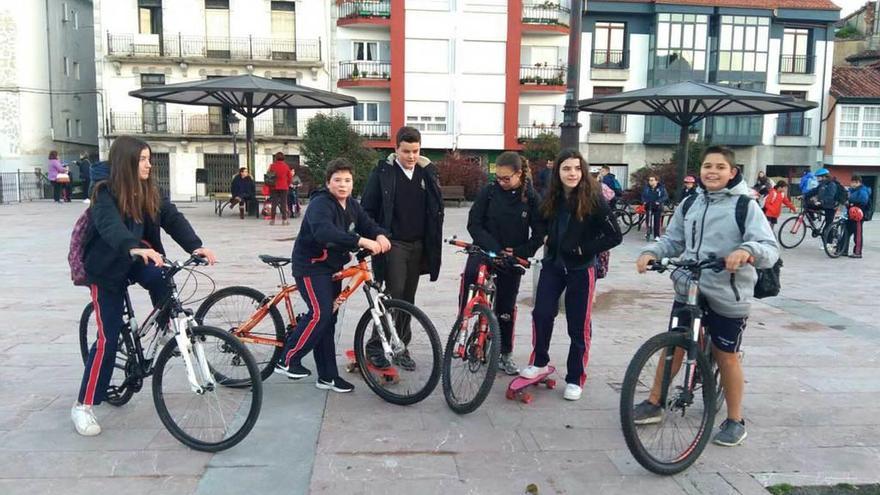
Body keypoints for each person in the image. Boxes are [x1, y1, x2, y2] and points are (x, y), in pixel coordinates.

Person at [634, 145, 779, 447]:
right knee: (674, 344)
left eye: (720, 167)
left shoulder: (745, 206)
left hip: (729, 290)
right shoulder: (690, 204)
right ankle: (654, 402)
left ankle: (735, 420)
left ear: (732, 172)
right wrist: (652, 252)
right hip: (690, 286)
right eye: (707, 166)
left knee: (727, 355)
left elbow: (768, 248)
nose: (712, 171)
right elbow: (673, 240)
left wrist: (745, 251)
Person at [72, 136, 217, 436]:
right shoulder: (104, 192)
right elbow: (109, 226)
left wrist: (196, 247)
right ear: (126, 162)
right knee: (108, 339)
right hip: (107, 268)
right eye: (143, 159)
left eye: (149, 158)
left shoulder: (150, 190)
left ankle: (165, 329)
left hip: (139, 255)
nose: (149, 164)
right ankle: (83, 405)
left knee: (162, 275)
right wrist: (132, 247)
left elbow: (172, 218)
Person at [274, 158, 391, 393]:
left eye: (347, 180)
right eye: (337, 180)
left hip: (332, 267)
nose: (343, 185)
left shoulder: (352, 205)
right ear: (328, 183)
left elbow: (368, 224)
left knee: (329, 321)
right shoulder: (320, 203)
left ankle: (327, 376)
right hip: (310, 265)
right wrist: (359, 240)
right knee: (320, 313)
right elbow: (324, 230)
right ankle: (287, 359)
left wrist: (380, 235)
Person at [520, 149, 622, 401]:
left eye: (577, 168)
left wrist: (584, 248)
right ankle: (540, 361)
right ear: (558, 172)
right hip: (553, 265)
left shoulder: (594, 199)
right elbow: (538, 219)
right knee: (542, 313)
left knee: (578, 325)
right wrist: (545, 236)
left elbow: (614, 236)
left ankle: (576, 378)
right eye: (566, 168)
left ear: (583, 171)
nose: (572, 173)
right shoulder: (550, 196)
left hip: (580, 270)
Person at [361, 126, 444, 369]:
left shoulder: (426, 173)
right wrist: (378, 235)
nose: (411, 156)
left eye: (415, 151)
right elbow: (367, 208)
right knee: (394, 296)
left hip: (418, 245)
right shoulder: (383, 173)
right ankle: (376, 346)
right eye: (406, 151)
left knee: (408, 299)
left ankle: (401, 346)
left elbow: (435, 207)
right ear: (396, 149)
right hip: (393, 244)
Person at [463, 151, 546, 375]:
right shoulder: (488, 193)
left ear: (519, 174)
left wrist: (520, 252)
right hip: (486, 251)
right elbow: (474, 224)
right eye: (498, 177)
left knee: (505, 308)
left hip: (512, 258)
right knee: (471, 283)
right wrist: (493, 248)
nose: (501, 182)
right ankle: (465, 333)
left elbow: (540, 233)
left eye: (506, 178)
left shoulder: (531, 197)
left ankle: (505, 352)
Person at [804, 168, 845, 237]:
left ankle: (829, 243)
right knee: (807, 205)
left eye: (818, 177)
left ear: (824, 177)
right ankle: (813, 220)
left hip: (831, 206)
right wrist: (803, 196)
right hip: (823, 204)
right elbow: (814, 191)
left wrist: (821, 201)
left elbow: (830, 196)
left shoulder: (832, 184)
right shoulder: (822, 184)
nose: (817, 178)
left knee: (828, 224)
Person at [843, 175, 871, 259]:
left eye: (854, 182)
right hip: (850, 213)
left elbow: (863, 202)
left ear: (859, 182)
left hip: (858, 215)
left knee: (857, 234)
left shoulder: (863, 191)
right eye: (852, 182)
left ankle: (857, 252)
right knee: (846, 232)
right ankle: (843, 250)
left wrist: (851, 203)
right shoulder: (851, 190)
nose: (853, 184)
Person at [267, 152, 292, 226]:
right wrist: (287, 184)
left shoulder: (272, 166)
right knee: (284, 203)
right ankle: (284, 220)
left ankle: (272, 220)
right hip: (284, 187)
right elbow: (290, 177)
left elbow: (268, 175)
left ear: (276, 158)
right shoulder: (286, 166)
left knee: (274, 203)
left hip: (274, 187)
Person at [641, 175, 668, 240]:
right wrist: (644, 201)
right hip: (649, 205)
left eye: (652, 180)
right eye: (649, 180)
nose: (650, 182)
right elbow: (643, 195)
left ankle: (657, 235)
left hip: (657, 206)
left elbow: (665, 196)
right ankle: (648, 232)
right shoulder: (647, 188)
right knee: (648, 220)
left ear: (656, 181)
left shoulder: (661, 188)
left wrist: (659, 201)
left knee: (657, 221)